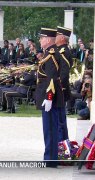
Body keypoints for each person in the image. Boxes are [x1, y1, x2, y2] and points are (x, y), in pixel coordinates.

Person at [36, 28, 64, 168]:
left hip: (50, 97)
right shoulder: (49, 53)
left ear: (47, 39)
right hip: (48, 96)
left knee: (50, 129)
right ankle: (49, 158)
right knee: (49, 128)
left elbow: (52, 78)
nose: (40, 40)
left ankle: (50, 160)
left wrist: (49, 97)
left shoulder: (52, 54)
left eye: (41, 38)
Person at [55, 26, 73, 142]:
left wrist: (58, 87)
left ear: (62, 38)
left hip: (60, 89)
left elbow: (64, 73)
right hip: (61, 89)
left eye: (57, 35)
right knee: (60, 119)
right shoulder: (62, 50)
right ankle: (63, 144)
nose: (55, 38)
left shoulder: (63, 51)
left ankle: (62, 147)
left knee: (60, 120)